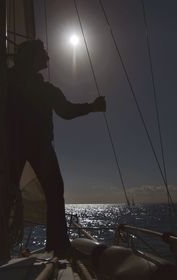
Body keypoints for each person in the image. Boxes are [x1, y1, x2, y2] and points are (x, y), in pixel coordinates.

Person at [8, 39, 106, 255]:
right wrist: (94, 107)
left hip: (11, 145)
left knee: (5, 194)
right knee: (52, 192)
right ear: (33, 57)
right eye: (43, 53)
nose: (48, 57)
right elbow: (66, 111)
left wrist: (91, 107)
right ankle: (58, 245)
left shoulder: (6, 81)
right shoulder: (40, 89)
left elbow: (66, 111)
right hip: (35, 146)